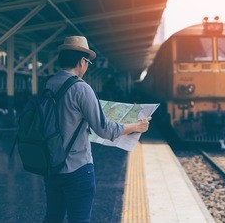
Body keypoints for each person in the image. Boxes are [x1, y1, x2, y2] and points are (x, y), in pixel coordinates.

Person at [43, 36, 151, 223]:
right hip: (77, 168)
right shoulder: (81, 88)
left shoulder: (49, 84)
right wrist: (136, 126)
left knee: (53, 217)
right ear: (82, 62)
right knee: (79, 219)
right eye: (87, 62)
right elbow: (104, 129)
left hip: (51, 166)